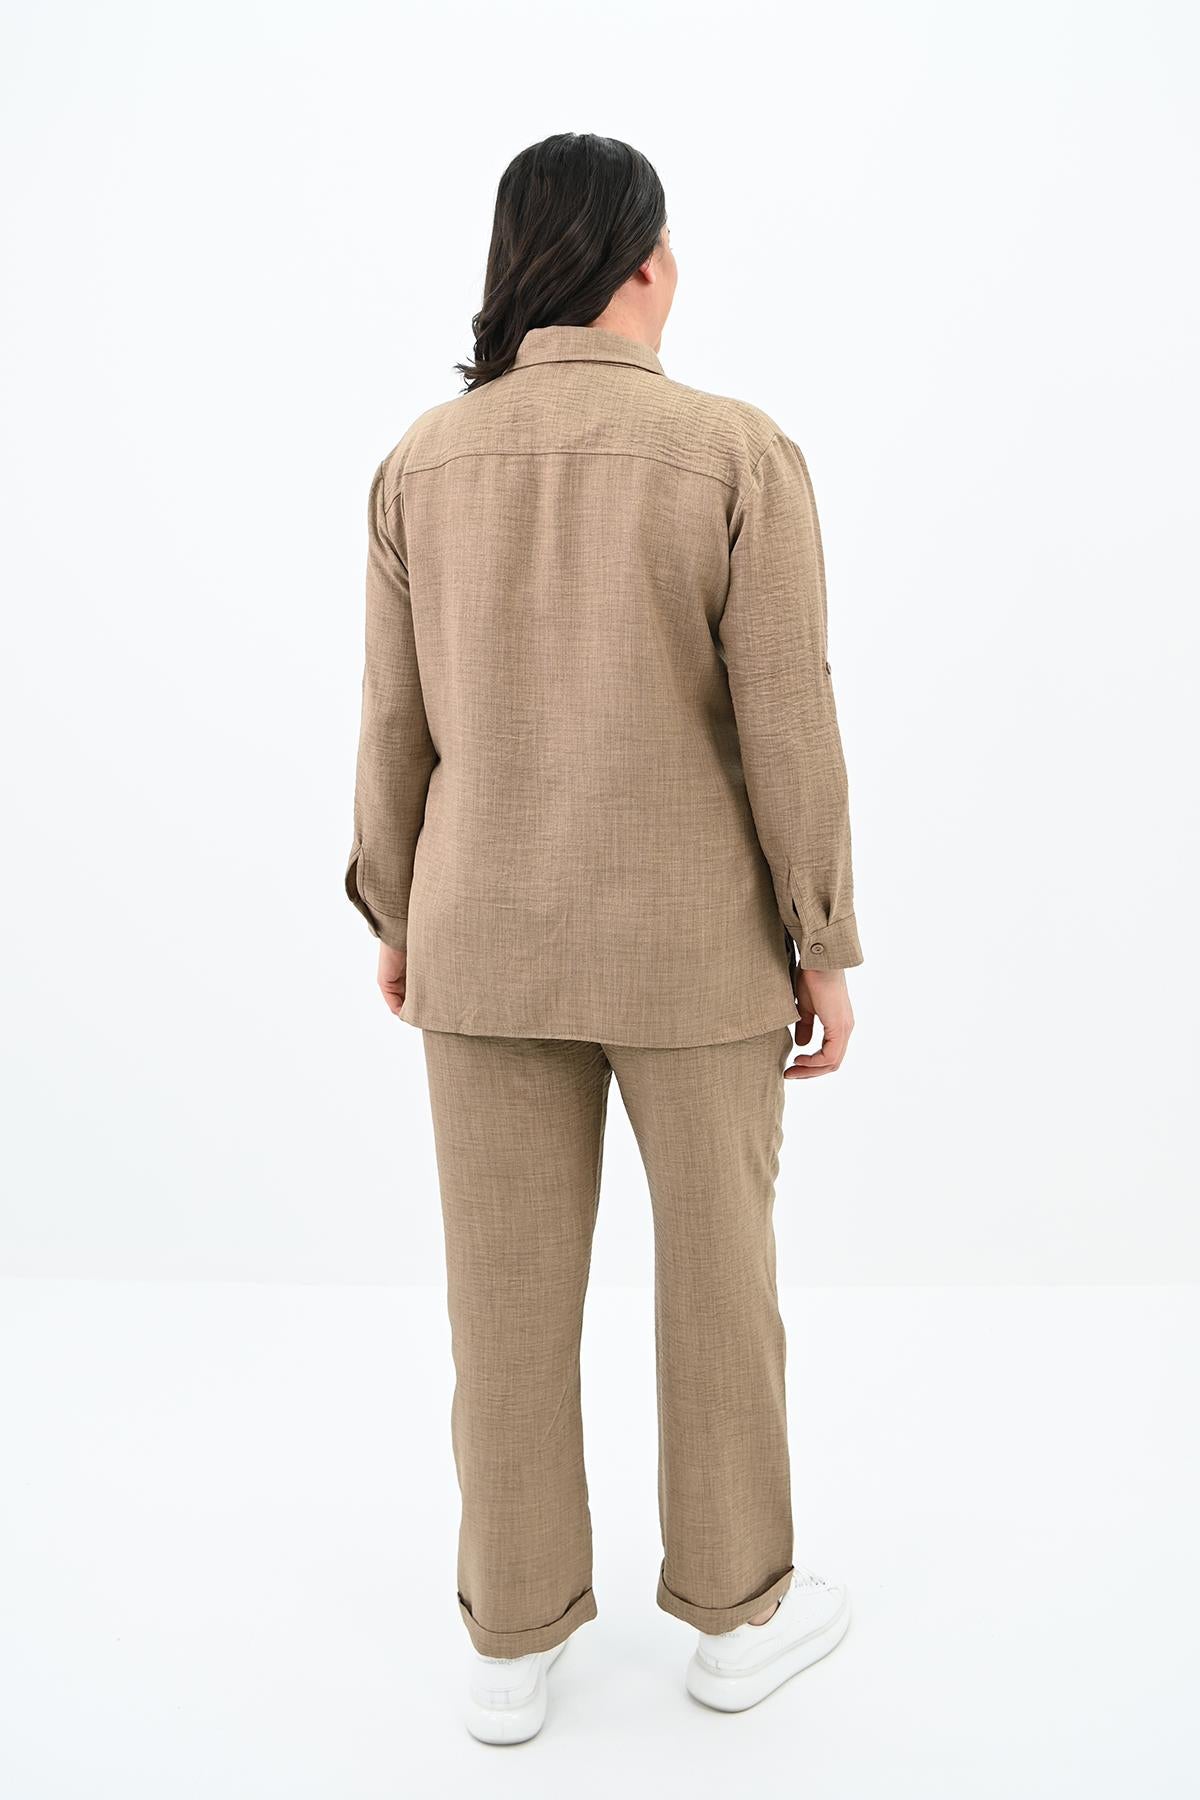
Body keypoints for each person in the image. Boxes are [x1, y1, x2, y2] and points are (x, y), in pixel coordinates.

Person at [344, 132, 863, 1743]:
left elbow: (393, 722)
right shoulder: (734, 452)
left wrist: (395, 905)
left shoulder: (422, 461)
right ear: (646, 263)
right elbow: (788, 721)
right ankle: (739, 1618)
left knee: (499, 1296)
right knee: (721, 1287)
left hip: (482, 941)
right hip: (694, 951)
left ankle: (510, 1644)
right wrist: (822, 938)